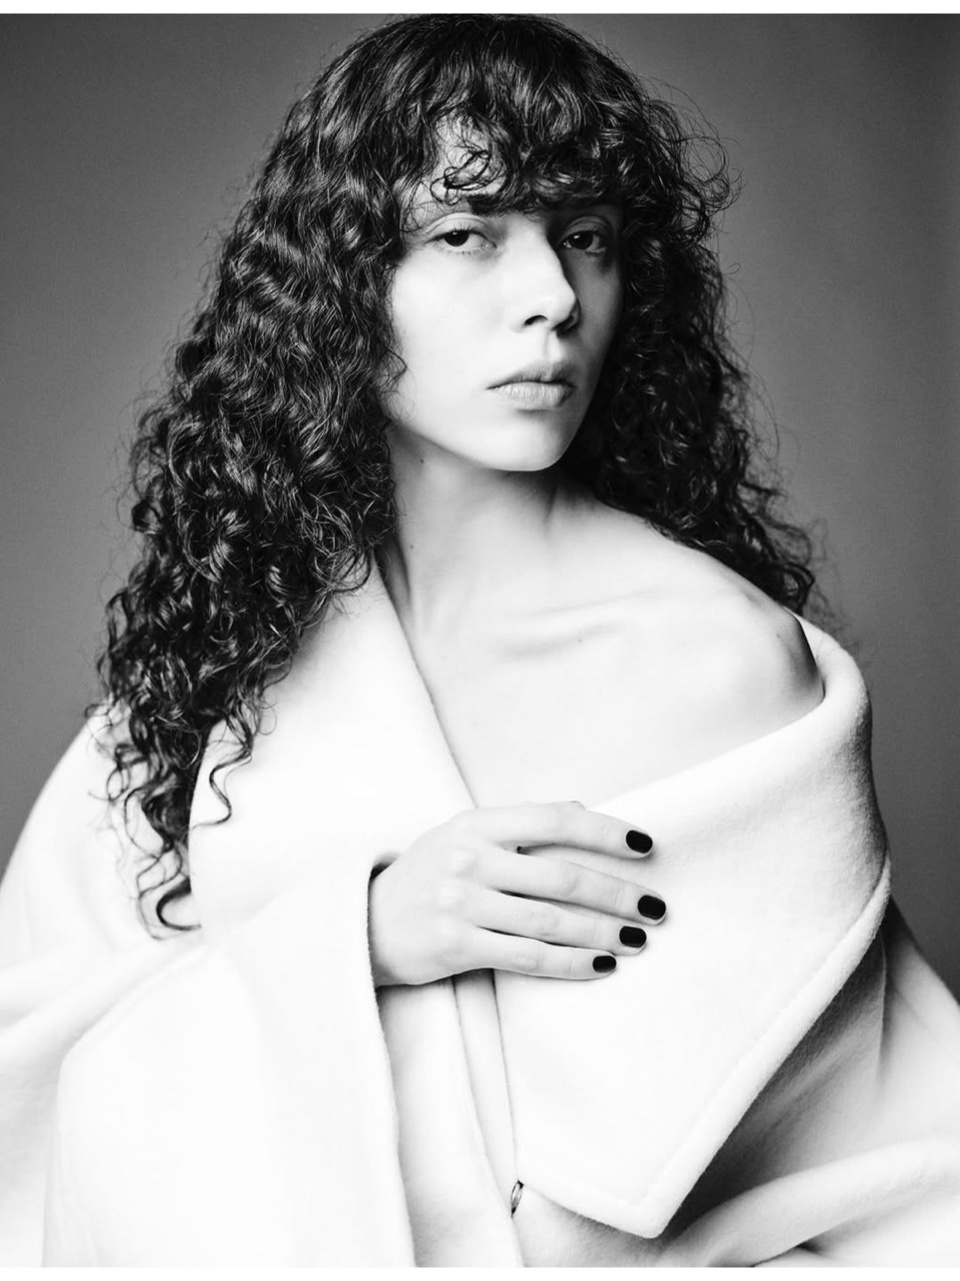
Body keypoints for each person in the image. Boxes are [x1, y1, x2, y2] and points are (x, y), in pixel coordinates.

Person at [1, 13, 958, 1267]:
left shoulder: (710, 662)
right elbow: (33, 1059)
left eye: (586, 236)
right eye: (467, 234)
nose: (553, 298)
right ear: (341, 281)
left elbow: (850, 1169)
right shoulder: (223, 658)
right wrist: (363, 936)